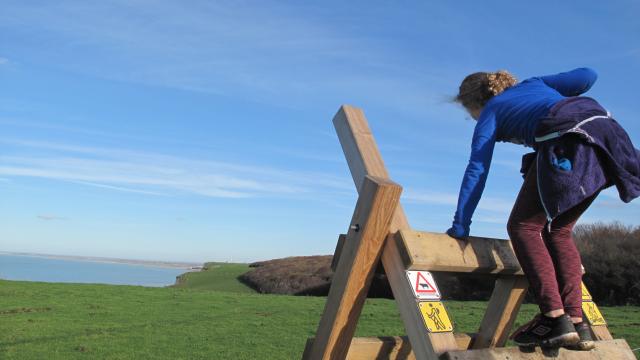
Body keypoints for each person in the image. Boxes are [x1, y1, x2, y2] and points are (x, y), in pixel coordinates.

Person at [447, 68, 640, 349]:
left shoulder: (492, 111)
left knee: (523, 227)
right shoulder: (535, 84)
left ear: (475, 102)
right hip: (609, 142)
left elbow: (477, 168)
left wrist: (461, 224)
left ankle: (553, 317)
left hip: (569, 138)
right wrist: (556, 97)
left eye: (469, 111)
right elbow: (588, 75)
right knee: (559, 231)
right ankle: (576, 323)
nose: (471, 117)